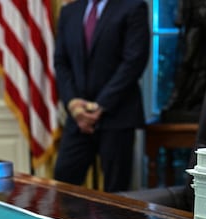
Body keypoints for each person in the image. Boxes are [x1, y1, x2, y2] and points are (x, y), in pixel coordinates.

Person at [53, 0, 150, 193]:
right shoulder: (69, 12)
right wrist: (73, 104)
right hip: (78, 117)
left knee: (117, 192)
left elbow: (134, 61)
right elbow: (61, 62)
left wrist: (100, 105)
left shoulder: (133, 7)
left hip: (117, 115)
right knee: (63, 182)